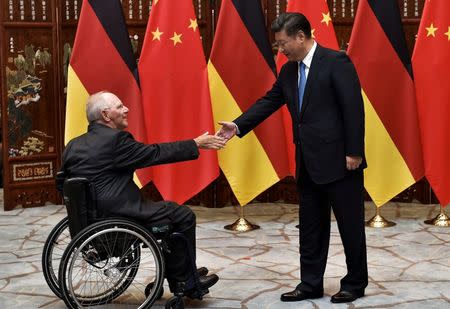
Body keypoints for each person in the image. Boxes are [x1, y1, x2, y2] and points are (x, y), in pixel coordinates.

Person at [217, 13, 368, 303]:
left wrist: (354, 152)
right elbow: (269, 101)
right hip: (307, 163)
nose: (280, 50)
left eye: (283, 43)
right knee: (310, 227)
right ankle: (310, 283)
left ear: (301, 36)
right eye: (277, 45)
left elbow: (353, 108)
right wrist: (237, 125)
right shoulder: (289, 71)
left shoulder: (336, 61)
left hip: (340, 160)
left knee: (350, 226)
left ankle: (355, 283)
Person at [58, 91, 225, 296]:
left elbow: (62, 184)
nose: (126, 109)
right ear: (106, 115)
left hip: (90, 223)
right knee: (182, 215)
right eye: (119, 107)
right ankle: (185, 281)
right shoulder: (116, 140)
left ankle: (180, 270)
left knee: (167, 211)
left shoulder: (73, 145)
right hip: (121, 217)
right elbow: (154, 153)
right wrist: (196, 143)